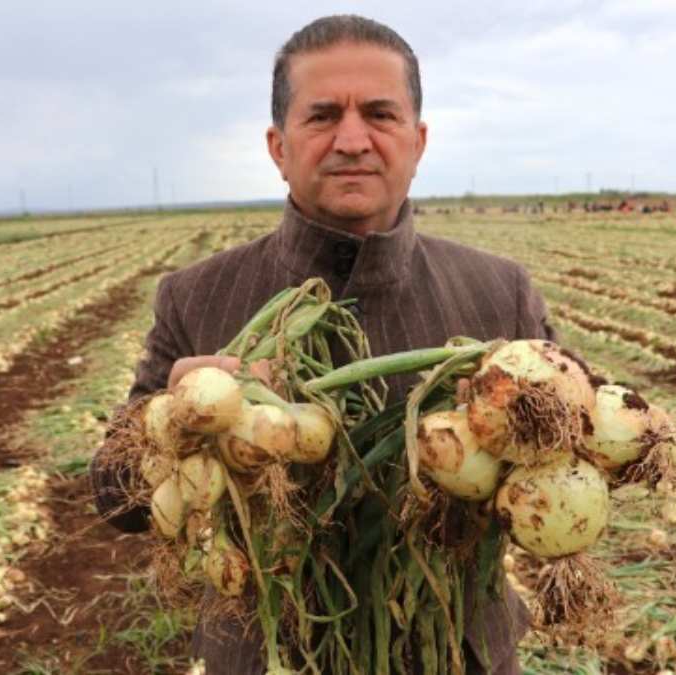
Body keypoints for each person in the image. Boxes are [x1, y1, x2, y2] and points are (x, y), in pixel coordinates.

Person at [91, 14, 559, 674]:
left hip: (461, 654)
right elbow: (115, 497)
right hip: (267, 655)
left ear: (418, 141)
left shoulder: (499, 292)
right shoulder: (195, 295)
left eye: (379, 114)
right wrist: (173, 425)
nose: (352, 139)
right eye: (321, 117)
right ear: (278, 145)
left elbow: (576, 455)